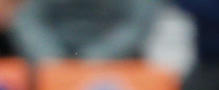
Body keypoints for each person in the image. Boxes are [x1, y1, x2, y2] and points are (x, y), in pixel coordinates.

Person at [9, 0, 157, 60]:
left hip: (116, 62)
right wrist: (51, 58)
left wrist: (98, 56)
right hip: (49, 61)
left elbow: (137, 24)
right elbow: (28, 20)